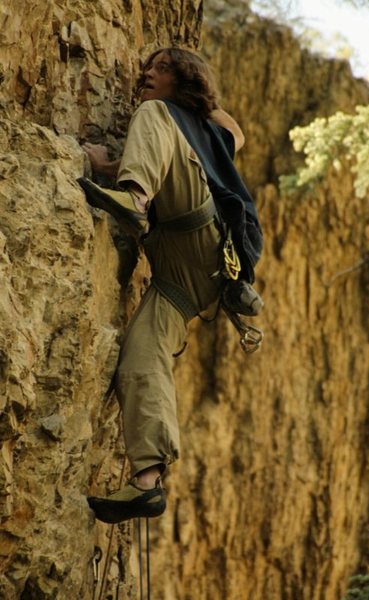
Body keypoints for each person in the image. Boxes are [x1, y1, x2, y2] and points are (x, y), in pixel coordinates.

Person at [78, 47, 263, 524]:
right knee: (141, 357)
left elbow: (232, 132)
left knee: (152, 112)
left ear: (186, 80)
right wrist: (101, 166)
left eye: (161, 68)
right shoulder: (170, 131)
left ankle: (134, 196)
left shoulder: (195, 123)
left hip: (201, 237)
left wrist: (195, 96)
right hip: (183, 278)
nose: (146, 73)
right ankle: (147, 480)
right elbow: (160, 157)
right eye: (148, 66)